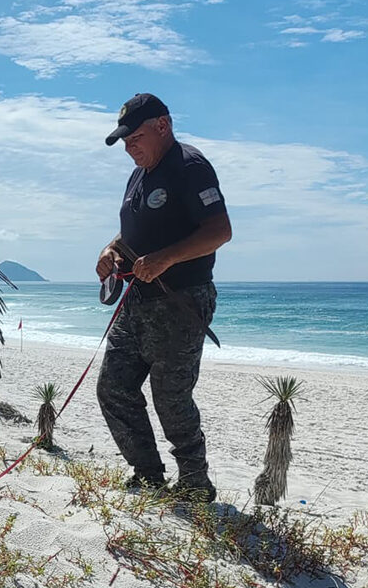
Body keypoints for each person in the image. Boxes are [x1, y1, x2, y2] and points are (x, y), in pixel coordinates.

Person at [95, 93, 232, 503]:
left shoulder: (189, 166)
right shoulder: (138, 175)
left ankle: (194, 483)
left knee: (171, 399)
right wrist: (111, 250)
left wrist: (166, 259)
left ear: (163, 126)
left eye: (136, 137)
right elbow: (131, 233)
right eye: (124, 141)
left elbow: (220, 231)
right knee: (113, 388)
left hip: (181, 301)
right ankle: (149, 475)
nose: (130, 147)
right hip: (137, 299)